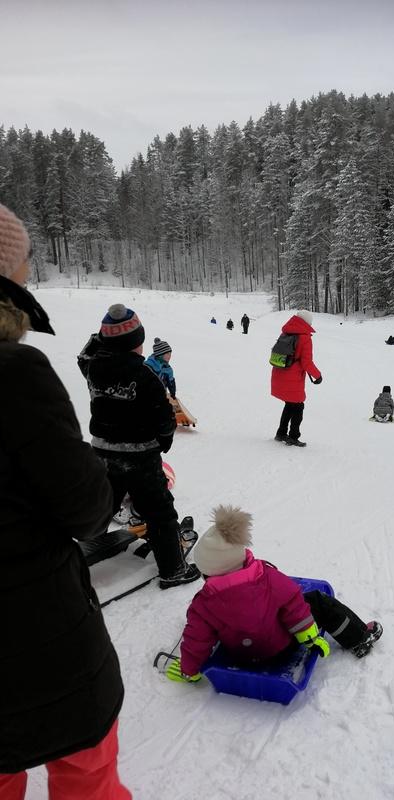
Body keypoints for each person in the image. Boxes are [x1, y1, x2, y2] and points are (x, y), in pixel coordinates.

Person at [0, 204, 130, 799]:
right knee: (86, 774)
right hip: (37, 640)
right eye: (24, 263)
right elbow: (87, 509)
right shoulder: (15, 374)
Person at [164, 506, 383, 683]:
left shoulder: (203, 604)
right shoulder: (269, 579)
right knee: (317, 601)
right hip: (280, 649)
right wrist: (310, 637)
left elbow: (196, 640)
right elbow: (295, 607)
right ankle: (359, 639)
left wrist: (188, 670)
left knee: (216, 624)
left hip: (241, 654)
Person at [77, 303, 200, 590]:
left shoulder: (94, 368)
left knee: (101, 506)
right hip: (140, 457)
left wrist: (102, 338)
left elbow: (84, 356)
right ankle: (173, 569)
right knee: (160, 512)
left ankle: (67, 552)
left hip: (103, 453)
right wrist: (164, 442)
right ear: (136, 342)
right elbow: (165, 419)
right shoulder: (146, 377)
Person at [271, 309, 322, 447]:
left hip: (279, 373)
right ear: (307, 322)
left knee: (290, 404)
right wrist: (317, 375)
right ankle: (293, 436)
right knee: (298, 406)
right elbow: (306, 362)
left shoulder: (285, 332)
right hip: (293, 378)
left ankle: (281, 433)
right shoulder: (305, 338)